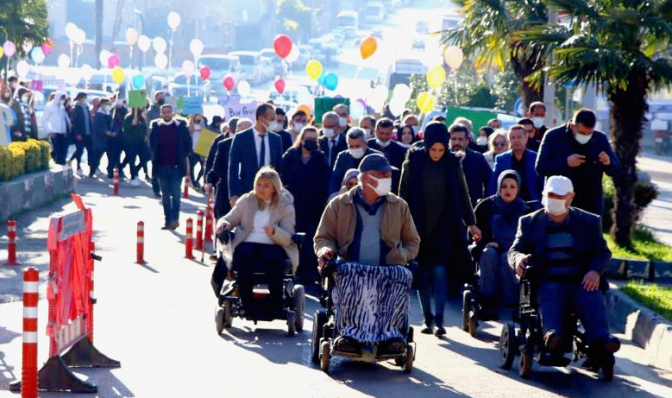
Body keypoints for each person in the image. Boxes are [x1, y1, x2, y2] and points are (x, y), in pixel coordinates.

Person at [315, 153, 420, 352]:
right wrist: (326, 250)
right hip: (350, 266)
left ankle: (392, 337)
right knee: (348, 274)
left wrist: (402, 257)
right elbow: (323, 237)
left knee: (402, 275)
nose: (388, 179)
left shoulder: (399, 206)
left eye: (389, 175)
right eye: (383, 175)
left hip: (387, 268)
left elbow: (413, 242)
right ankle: (349, 335)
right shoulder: (339, 204)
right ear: (367, 177)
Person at [508, 176, 621, 359]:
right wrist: (518, 259)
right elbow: (515, 250)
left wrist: (594, 271)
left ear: (571, 197)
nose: (554, 199)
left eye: (559, 196)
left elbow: (602, 252)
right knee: (551, 295)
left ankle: (602, 342)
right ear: (544, 195)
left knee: (592, 297)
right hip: (548, 280)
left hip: (580, 281)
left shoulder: (589, 222)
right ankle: (552, 338)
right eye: (550, 194)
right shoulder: (529, 222)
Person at [399, 122, 480, 335]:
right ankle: (427, 319)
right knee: (423, 273)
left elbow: (463, 194)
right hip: (418, 226)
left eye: (441, 150)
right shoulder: (413, 162)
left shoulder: (452, 163)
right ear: (426, 145)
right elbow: (403, 195)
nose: (436, 154)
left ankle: (440, 320)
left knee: (441, 272)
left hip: (445, 226)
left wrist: (471, 223)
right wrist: (399, 224)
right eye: (433, 149)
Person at [215, 167, 299, 316]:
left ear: (274, 188)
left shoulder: (285, 206)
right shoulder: (247, 200)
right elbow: (229, 218)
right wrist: (224, 224)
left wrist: (274, 232)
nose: (261, 188)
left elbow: (288, 237)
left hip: (273, 245)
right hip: (247, 243)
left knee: (273, 261)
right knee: (243, 259)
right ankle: (248, 304)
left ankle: (275, 304)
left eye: (266, 186)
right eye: (259, 184)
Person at [536, 108, 621, 216]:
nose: (585, 136)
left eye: (589, 133)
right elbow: (540, 167)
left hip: (590, 203)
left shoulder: (599, 139)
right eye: (581, 133)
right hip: (560, 201)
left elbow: (616, 168)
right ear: (572, 126)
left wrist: (608, 162)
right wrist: (565, 163)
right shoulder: (553, 136)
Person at [281, 126, 331, 285]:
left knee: (310, 239)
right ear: (301, 139)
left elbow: (326, 181)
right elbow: (281, 177)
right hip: (292, 206)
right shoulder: (290, 155)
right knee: (293, 238)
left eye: (313, 140)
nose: (310, 142)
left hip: (313, 206)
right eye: (307, 139)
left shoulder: (320, 158)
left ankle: (310, 272)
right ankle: (295, 270)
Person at [473, 170, 528, 308]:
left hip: (513, 249)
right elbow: (475, 231)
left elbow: (529, 238)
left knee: (507, 258)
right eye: (504, 186)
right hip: (492, 247)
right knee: (489, 254)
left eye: (512, 187)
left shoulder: (525, 210)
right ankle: (488, 299)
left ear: (518, 189)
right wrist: (486, 241)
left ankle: (512, 300)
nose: (508, 190)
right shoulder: (486, 206)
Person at [228, 103, 284, 208]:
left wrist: (279, 191)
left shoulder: (276, 139)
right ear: (261, 119)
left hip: (270, 193)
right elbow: (233, 168)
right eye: (272, 119)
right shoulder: (241, 138)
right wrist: (233, 195)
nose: (274, 122)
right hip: (247, 191)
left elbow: (279, 167)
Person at [149, 104, 192, 230]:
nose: (167, 114)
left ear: (172, 113)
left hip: (176, 168)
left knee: (176, 195)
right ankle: (167, 221)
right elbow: (152, 144)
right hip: (161, 167)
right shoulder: (157, 127)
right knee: (165, 196)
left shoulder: (180, 127)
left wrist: (182, 157)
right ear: (161, 114)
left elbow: (188, 145)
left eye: (168, 112)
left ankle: (175, 219)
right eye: (164, 112)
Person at [207, 118, 253, 219]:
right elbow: (216, 168)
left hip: (249, 195)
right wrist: (210, 181)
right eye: (244, 131)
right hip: (225, 194)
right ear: (237, 131)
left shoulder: (256, 147)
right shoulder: (224, 145)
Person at [489, 125, 544, 205]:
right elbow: (493, 185)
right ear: (509, 140)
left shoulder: (536, 158)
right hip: (507, 205)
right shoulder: (501, 159)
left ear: (526, 138)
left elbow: (542, 184)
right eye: (513, 138)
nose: (516, 140)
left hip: (532, 204)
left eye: (519, 137)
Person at [449, 123, 492, 207]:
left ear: (467, 141)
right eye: (453, 139)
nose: (457, 142)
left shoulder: (478, 159)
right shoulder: (444, 159)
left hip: (473, 207)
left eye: (460, 139)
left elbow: (490, 180)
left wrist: (485, 201)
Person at [329, 127, 380, 194]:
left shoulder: (377, 157)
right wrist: (335, 196)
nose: (354, 149)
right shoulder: (342, 156)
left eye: (357, 146)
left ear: (366, 143)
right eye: (351, 146)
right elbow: (335, 181)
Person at [367, 118, 406, 194]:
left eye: (387, 134)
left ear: (392, 133)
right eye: (381, 133)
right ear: (375, 131)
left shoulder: (400, 151)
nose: (384, 137)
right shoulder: (367, 146)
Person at [41, 91, 70, 165]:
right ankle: (58, 165)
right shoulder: (49, 106)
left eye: (64, 98)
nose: (63, 100)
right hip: (54, 132)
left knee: (63, 151)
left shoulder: (62, 107)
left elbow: (64, 117)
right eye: (62, 98)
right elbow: (44, 120)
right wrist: (49, 131)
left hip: (63, 133)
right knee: (57, 151)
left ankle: (61, 165)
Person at [122, 106, 148, 186]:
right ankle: (133, 176)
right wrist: (132, 124)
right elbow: (125, 129)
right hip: (131, 142)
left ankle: (133, 170)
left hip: (141, 142)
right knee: (131, 160)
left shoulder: (142, 118)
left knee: (145, 158)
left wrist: (145, 136)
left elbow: (144, 128)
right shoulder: (129, 118)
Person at [69, 92, 93, 176]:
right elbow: (74, 122)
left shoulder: (87, 107)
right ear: (80, 98)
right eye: (84, 98)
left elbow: (89, 120)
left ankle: (91, 166)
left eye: (86, 98)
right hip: (80, 133)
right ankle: (78, 166)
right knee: (79, 150)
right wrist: (77, 133)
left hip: (88, 133)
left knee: (90, 150)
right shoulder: (76, 108)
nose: (85, 100)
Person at [90, 99, 113, 178]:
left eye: (109, 104)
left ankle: (109, 172)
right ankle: (92, 171)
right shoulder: (98, 114)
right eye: (107, 104)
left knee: (109, 156)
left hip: (107, 139)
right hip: (99, 139)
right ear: (102, 104)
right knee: (97, 156)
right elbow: (96, 127)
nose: (108, 106)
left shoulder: (108, 114)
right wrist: (105, 131)